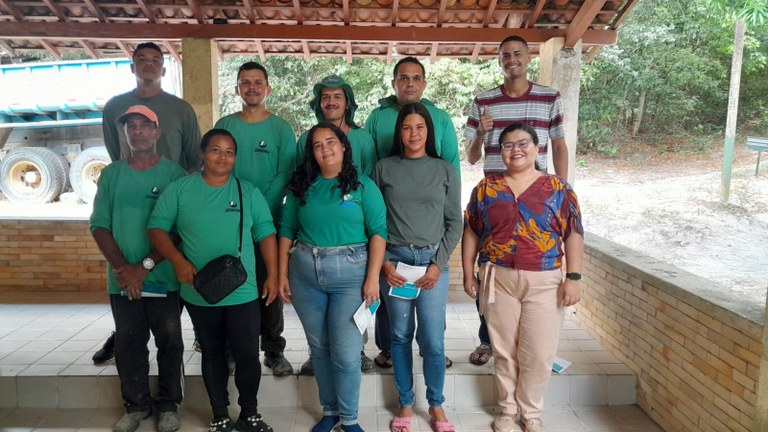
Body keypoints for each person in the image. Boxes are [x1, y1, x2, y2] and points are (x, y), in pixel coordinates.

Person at [148, 129, 277, 432]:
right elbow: (156, 228)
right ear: (203, 154)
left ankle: (250, 414)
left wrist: (273, 274)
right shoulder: (180, 190)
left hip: (243, 291)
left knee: (247, 354)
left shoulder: (247, 192)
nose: (223, 157)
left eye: (229, 151)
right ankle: (219, 414)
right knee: (213, 351)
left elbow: (266, 233)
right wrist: (178, 261)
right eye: (216, 150)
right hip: (199, 291)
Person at [462, 123, 584, 432]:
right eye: (507, 145)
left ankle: (531, 413)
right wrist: (468, 273)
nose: (516, 149)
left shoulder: (559, 189)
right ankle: (506, 410)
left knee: (539, 352)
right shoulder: (486, 189)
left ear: (537, 148)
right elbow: (472, 231)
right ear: (499, 152)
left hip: (545, 280)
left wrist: (574, 277)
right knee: (504, 350)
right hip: (497, 277)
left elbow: (573, 233)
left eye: (523, 143)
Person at [463, 35, 569, 366]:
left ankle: (532, 342)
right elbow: (470, 156)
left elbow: (559, 145)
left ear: (528, 57)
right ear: (499, 60)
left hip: (538, 198)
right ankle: (488, 340)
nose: (512, 59)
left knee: (536, 270)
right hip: (495, 198)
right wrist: (481, 132)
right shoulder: (482, 101)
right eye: (505, 55)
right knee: (492, 266)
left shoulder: (550, 97)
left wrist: (563, 189)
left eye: (517, 54)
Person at [94, 41, 201, 365]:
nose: (149, 65)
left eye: (156, 60)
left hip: (172, 212)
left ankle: (191, 357)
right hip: (131, 208)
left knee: (168, 307)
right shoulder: (115, 107)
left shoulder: (181, 109)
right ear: (133, 67)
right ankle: (123, 335)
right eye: (142, 59)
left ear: (164, 69)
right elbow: (117, 152)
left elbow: (194, 157)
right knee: (132, 312)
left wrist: (180, 194)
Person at [277, 122, 387, 432]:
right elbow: (286, 230)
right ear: (311, 153)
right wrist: (282, 274)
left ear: (342, 146)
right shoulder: (301, 188)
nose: (325, 148)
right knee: (320, 348)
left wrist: (372, 278)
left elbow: (379, 233)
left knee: (347, 351)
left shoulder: (363, 186)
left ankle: (349, 418)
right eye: (317, 144)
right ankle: (329, 411)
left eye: (331, 141)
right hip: (305, 275)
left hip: (352, 276)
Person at [90, 105, 186, 432]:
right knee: (129, 344)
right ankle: (136, 406)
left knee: (170, 343)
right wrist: (124, 270)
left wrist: (143, 268)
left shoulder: (174, 175)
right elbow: (100, 226)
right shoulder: (111, 175)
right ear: (125, 133)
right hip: (122, 281)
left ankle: (169, 405)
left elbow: (176, 231)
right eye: (131, 126)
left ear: (157, 132)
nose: (138, 132)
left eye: (145, 126)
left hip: (162, 280)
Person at [364, 56, 460, 369]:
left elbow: (449, 170)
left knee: (431, 321)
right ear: (394, 83)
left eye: (416, 78)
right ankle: (388, 348)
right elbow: (372, 170)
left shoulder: (440, 118)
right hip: (394, 232)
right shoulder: (378, 118)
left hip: (430, 234)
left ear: (424, 83)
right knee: (393, 315)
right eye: (403, 78)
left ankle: (434, 351)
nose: (409, 83)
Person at [371, 103, 461, 432]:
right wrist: (383, 263)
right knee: (399, 336)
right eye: (407, 128)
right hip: (396, 263)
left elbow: (455, 223)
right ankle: (406, 403)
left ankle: (436, 406)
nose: (413, 134)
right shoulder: (383, 168)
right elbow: (373, 221)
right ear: (400, 133)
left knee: (434, 341)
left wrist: (438, 266)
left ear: (428, 131)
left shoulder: (444, 169)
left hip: (431, 265)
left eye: (419, 128)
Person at [215, 61, 296, 377]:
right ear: (237, 88)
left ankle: (274, 349)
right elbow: (216, 169)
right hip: (228, 224)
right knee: (230, 285)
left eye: (257, 82)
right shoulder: (225, 124)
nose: (251, 87)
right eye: (245, 82)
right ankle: (229, 349)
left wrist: (257, 210)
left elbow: (285, 174)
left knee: (269, 284)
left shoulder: (280, 128)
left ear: (268, 88)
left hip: (268, 225)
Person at [296, 75, 377, 375]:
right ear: (319, 103)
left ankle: (359, 350)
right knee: (317, 307)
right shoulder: (307, 138)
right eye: (325, 97)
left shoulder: (364, 138)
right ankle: (315, 354)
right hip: (316, 233)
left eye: (337, 97)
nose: (331, 102)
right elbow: (301, 180)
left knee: (355, 299)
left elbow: (368, 183)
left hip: (355, 230)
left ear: (348, 103)